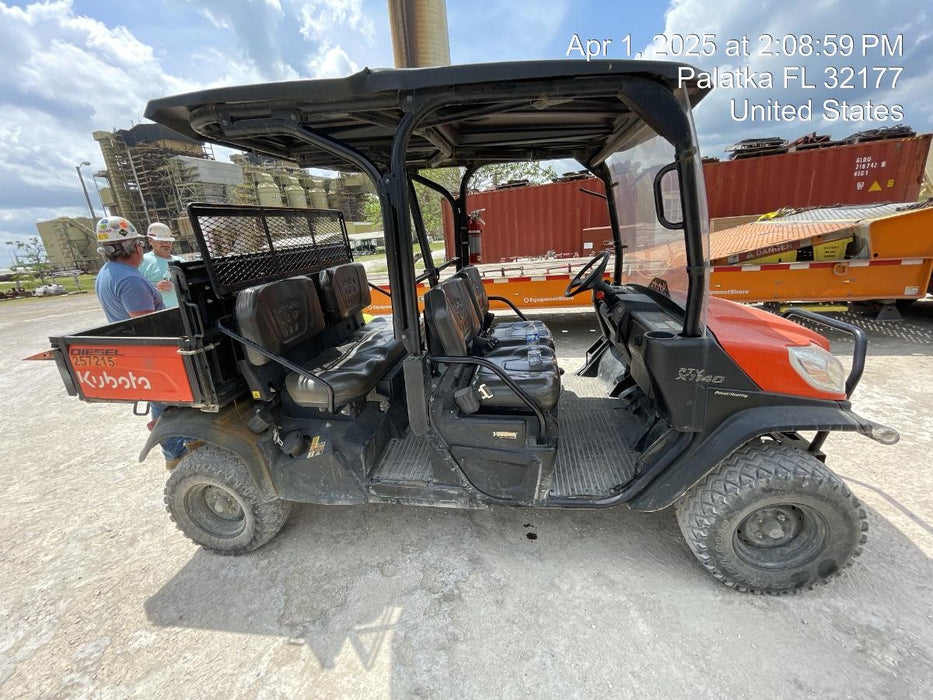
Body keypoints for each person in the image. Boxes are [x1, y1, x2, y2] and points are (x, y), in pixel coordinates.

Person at [94, 216, 190, 470]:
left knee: (163, 400)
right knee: (166, 402)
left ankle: (181, 447)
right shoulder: (130, 279)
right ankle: (175, 453)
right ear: (135, 247)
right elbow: (149, 325)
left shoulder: (108, 273)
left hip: (136, 349)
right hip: (150, 352)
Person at [139, 222, 184, 308]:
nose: (166, 244)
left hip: (184, 311)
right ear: (150, 241)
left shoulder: (180, 261)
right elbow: (136, 290)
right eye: (162, 241)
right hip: (161, 314)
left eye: (169, 241)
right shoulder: (143, 261)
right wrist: (155, 287)